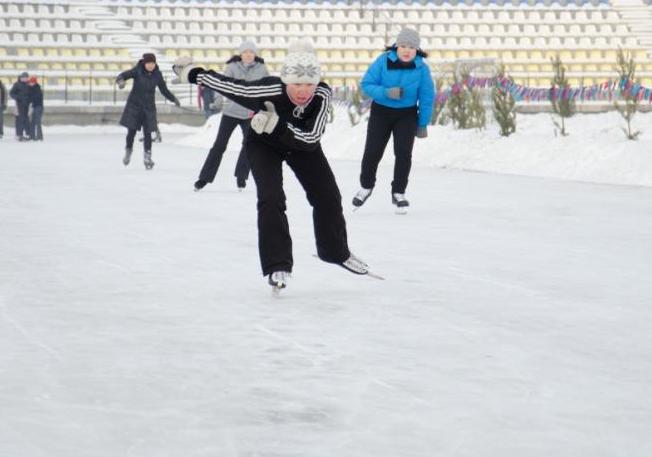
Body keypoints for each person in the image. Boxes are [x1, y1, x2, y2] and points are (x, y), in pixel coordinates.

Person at [173, 40, 370, 290]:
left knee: (328, 196)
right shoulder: (268, 89)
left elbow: (311, 137)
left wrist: (277, 125)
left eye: (309, 84)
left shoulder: (321, 94)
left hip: (302, 145)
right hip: (263, 144)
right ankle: (277, 265)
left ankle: (335, 252)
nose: (303, 90)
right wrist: (192, 73)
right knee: (271, 198)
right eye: (297, 83)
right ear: (286, 81)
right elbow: (231, 86)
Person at [352, 28, 435, 213]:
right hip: (381, 112)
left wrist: (422, 123)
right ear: (396, 46)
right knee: (373, 151)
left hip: (407, 115)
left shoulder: (422, 68)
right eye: (403, 46)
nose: (407, 50)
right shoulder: (383, 61)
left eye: (412, 47)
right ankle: (366, 186)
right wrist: (386, 93)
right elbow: (366, 84)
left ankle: (398, 192)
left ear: (417, 49)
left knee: (403, 154)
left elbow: (427, 97)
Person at [194, 41, 269, 192]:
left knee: (249, 145)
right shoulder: (232, 67)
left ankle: (241, 177)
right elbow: (221, 85)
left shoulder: (262, 69)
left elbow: (266, 88)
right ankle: (204, 178)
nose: (248, 54)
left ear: (255, 54)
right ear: (240, 54)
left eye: (251, 52)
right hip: (231, 112)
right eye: (245, 52)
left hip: (250, 113)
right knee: (219, 145)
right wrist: (217, 101)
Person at [115, 53, 180, 169]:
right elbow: (123, 75)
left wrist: (173, 99)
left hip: (148, 108)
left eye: (153, 63)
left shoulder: (157, 75)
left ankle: (147, 157)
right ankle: (128, 150)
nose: (151, 66)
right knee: (131, 132)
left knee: (148, 133)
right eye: (149, 63)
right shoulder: (137, 71)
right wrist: (121, 81)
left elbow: (164, 89)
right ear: (144, 63)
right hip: (134, 106)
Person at [10, 72, 31, 141]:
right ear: (21, 78)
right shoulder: (17, 84)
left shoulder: (29, 85)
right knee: (19, 120)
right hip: (19, 105)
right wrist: (17, 97)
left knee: (26, 119)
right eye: (24, 78)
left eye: (26, 78)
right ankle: (19, 134)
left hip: (27, 105)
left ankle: (28, 134)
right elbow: (11, 93)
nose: (25, 79)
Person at [28, 76, 44, 141]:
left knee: (37, 122)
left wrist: (31, 102)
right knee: (32, 122)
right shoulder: (32, 88)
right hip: (34, 107)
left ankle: (39, 136)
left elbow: (35, 99)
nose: (29, 84)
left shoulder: (37, 89)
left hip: (38, 107)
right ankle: (32, 136)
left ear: (33, 82)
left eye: (30, 82)